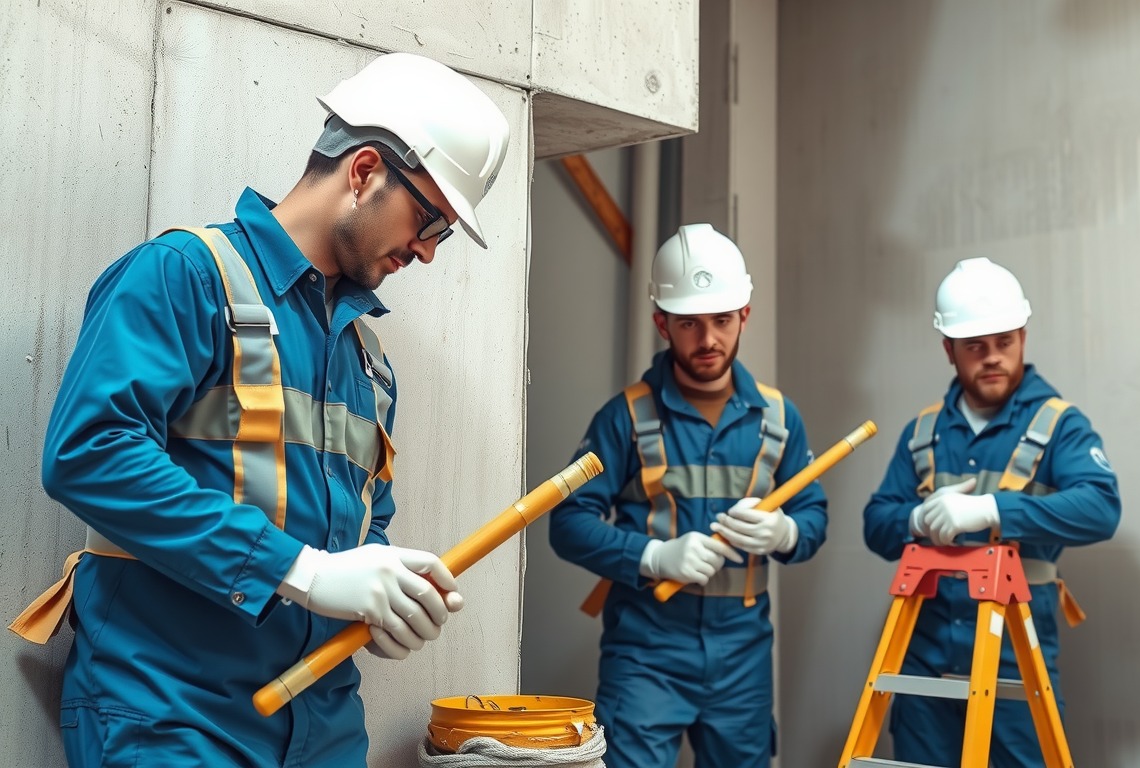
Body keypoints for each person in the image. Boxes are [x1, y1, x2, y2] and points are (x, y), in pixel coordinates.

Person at [9, 53, 510, 766]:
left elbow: (367, 527)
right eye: (429, 219)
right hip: (174, 717)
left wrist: (382, 595)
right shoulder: (186, 275)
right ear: (364, 170)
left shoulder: (368, 362)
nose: (428, 252)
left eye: (444, 235)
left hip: (322, 727)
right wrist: (300, 570)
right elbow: (90, 453)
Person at [548, 224, 828, 768]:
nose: (708, 340)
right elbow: (567, 521)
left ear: (744, 314)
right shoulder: (625, 417)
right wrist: (651, 555)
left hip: (743, 657)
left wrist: (787, 531)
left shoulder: (778, 417)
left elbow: (813, 515)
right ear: (662, 323)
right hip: (646, 652)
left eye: (722, 321)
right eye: (689, 324)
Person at [862, 257, 1120, 767]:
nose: (993, 358)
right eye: (976, 347)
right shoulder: (923, 433)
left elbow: (1101, 507)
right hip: (925, 665)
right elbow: (876, 523)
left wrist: (991, 509)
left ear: (1024, 335)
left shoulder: (1059, 425)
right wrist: (915, 520)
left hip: (1015, 666)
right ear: (948, 349)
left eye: (1005, 342)